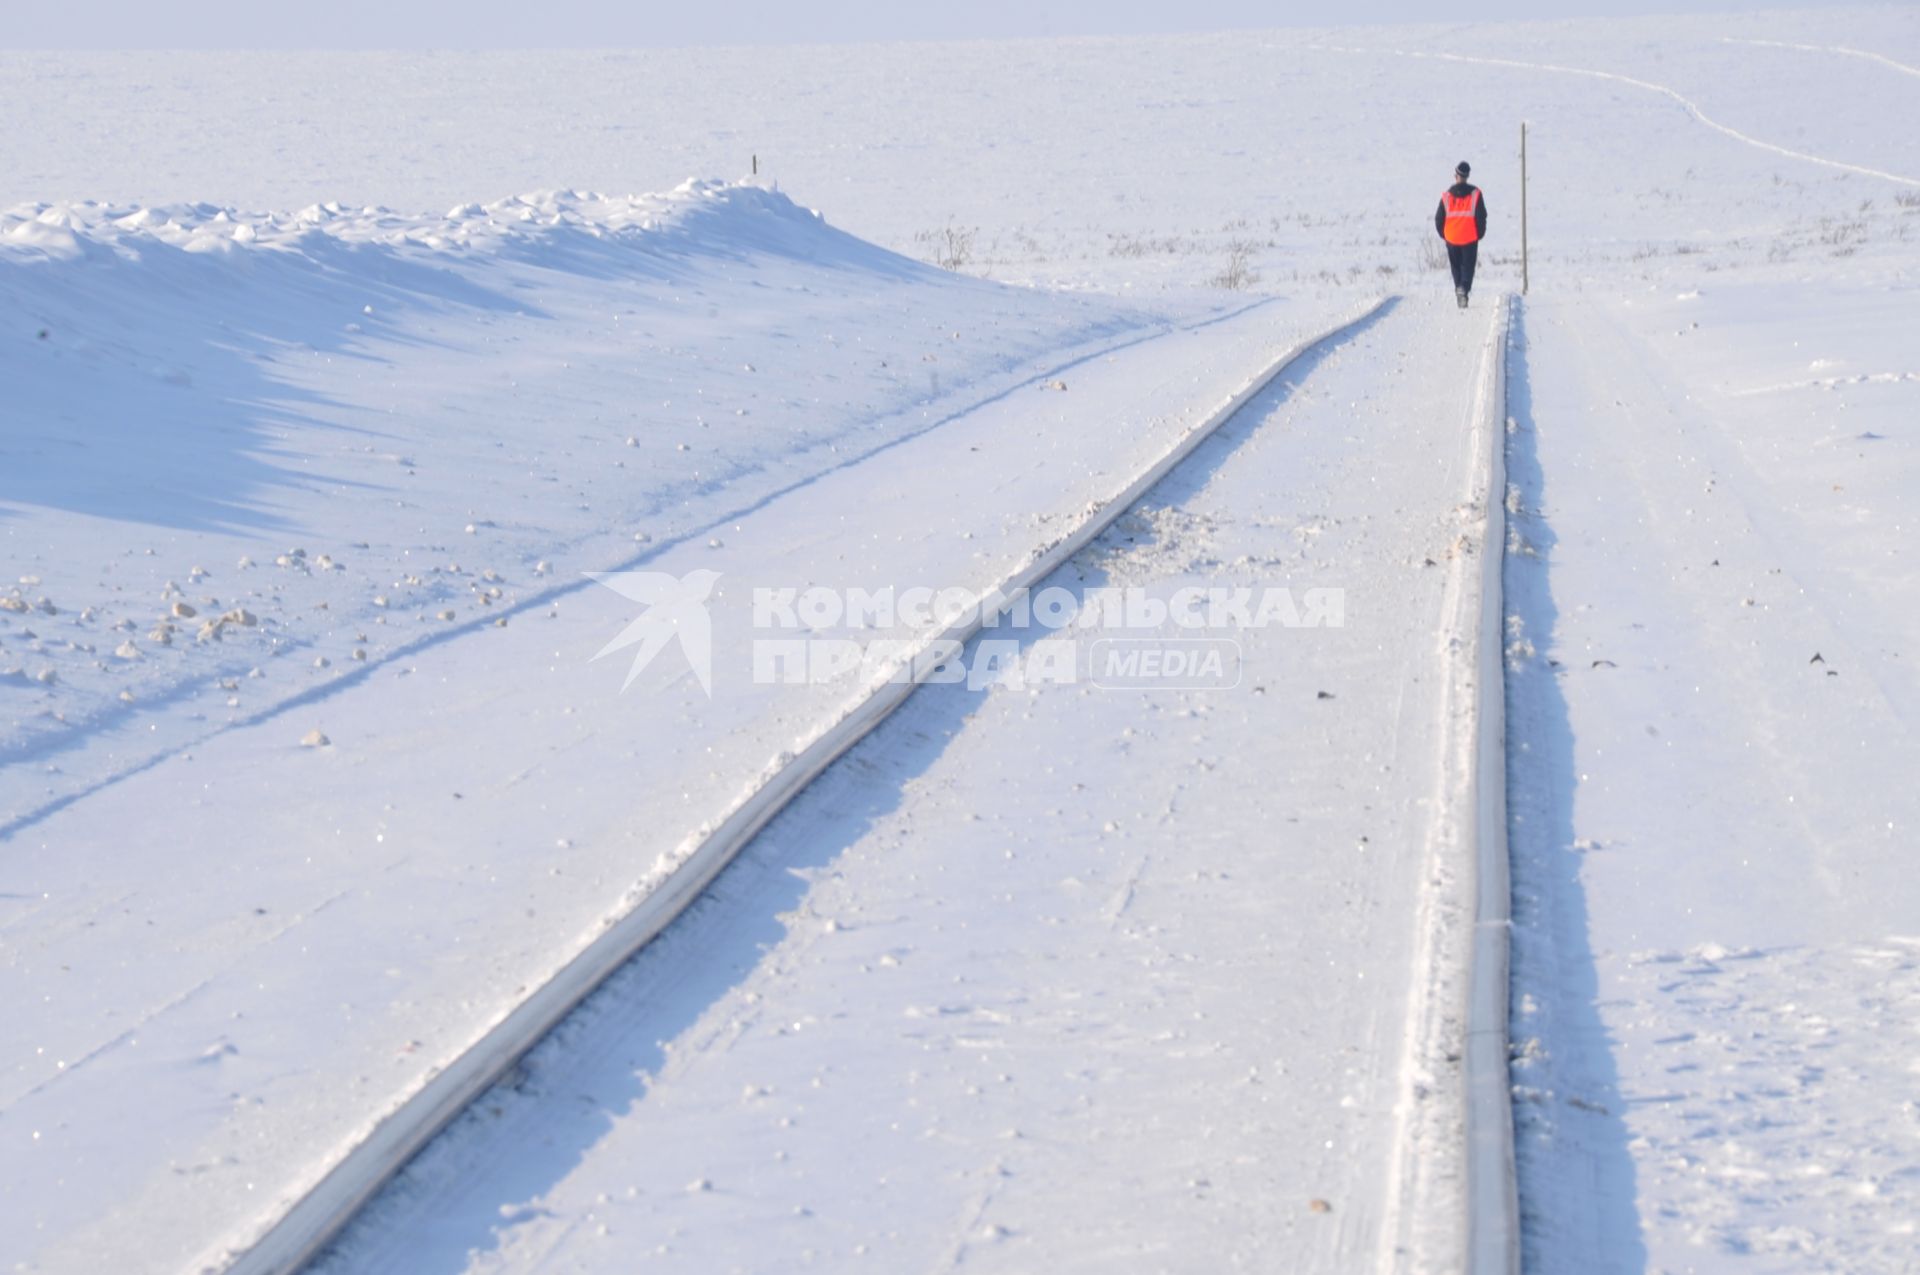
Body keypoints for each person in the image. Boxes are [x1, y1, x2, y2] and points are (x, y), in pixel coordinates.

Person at [1435, 162, 1488, 308]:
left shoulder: (1446, 196)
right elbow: (1481, 216)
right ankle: (1463, 289)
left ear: (1455, 176)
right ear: (1468, 176)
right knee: (1468, 266)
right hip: (1470, 237)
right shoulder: (1476, 194)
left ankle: (1459, 287)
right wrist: (1480, 234)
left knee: (1456, 266)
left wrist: (1444, 235)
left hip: (1451, 237)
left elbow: (1439, 218)